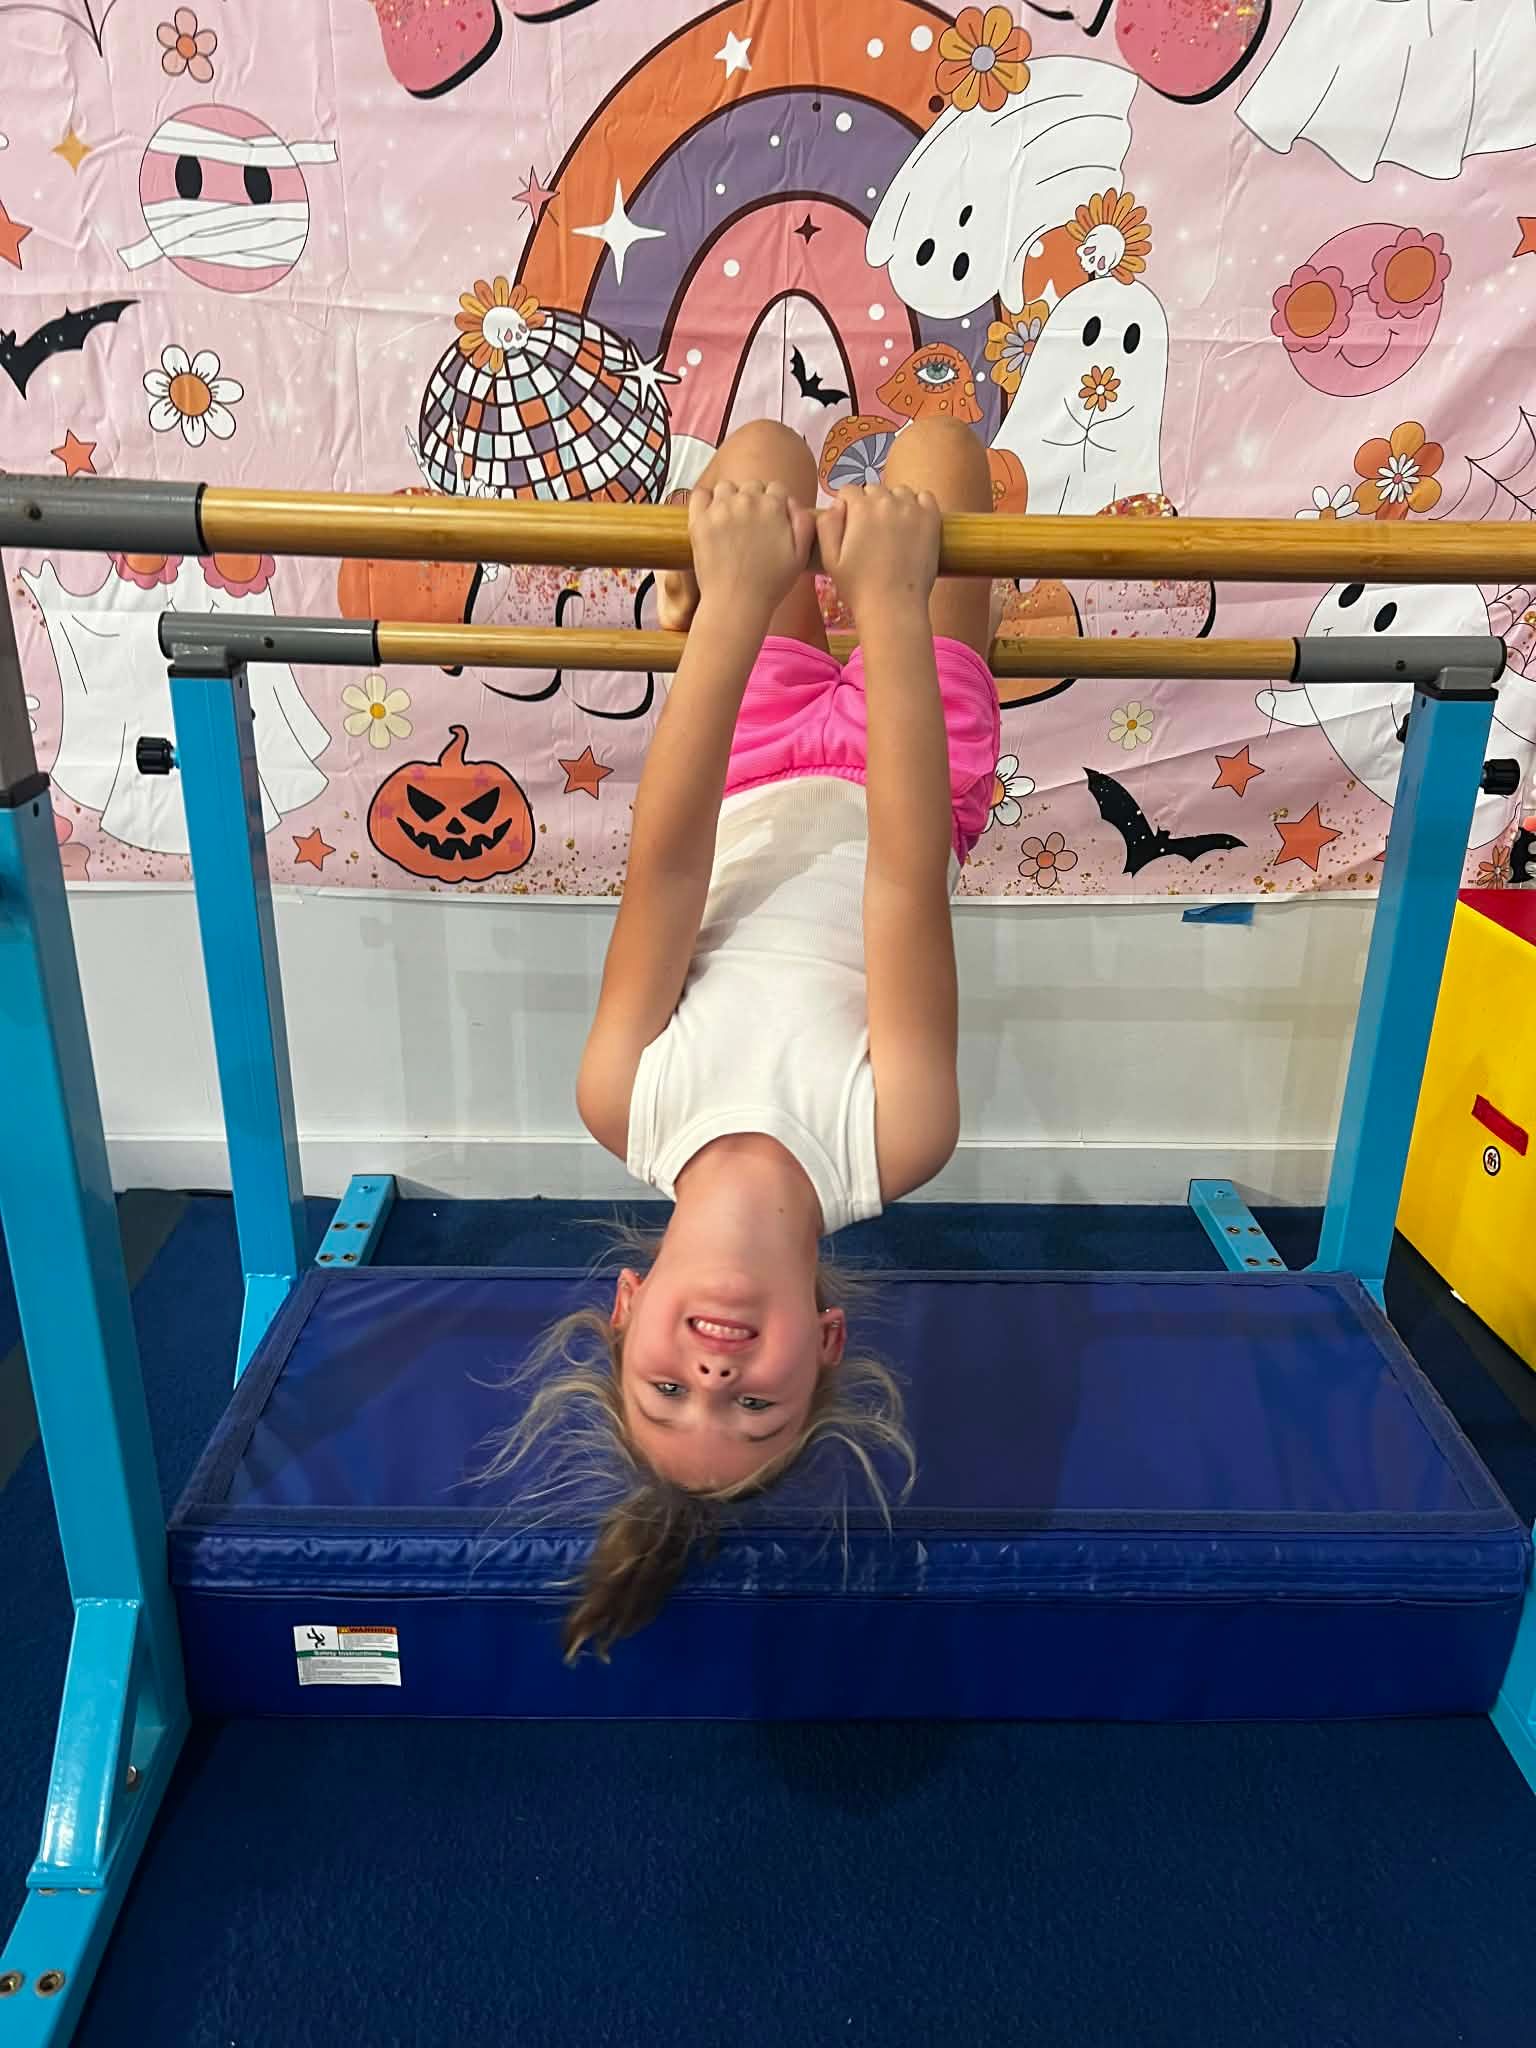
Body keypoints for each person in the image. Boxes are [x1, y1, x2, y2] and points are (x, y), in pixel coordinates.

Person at [487, 415, 1000, 1660]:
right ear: (825, 1344)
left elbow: (663, 876)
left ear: (628, 1307)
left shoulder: (625, 1099)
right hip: (908, 768)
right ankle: (847, 540)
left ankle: (714, 576)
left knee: (762, 462)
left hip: (747, 769)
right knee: (940, 452)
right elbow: (900, 884)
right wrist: (887, 605)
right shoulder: (895, 1141)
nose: (713, 1377)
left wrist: (730, 609)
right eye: (757, 1405)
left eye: (667, 1388)